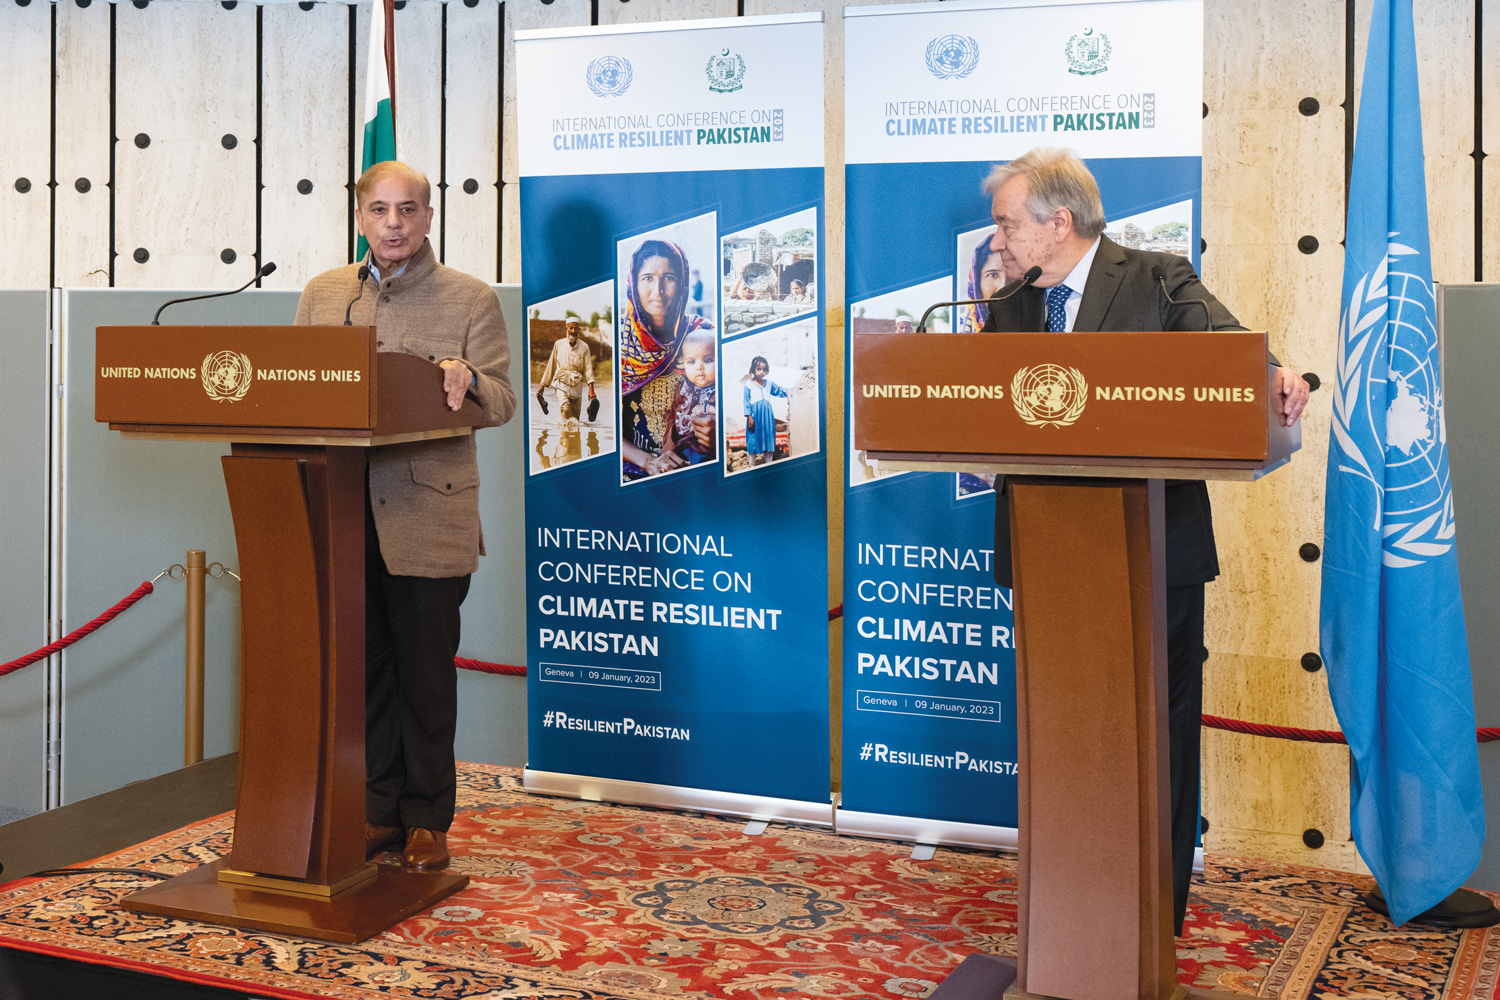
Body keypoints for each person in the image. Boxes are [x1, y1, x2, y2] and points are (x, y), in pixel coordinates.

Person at [980, 147, 1310, 935]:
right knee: (1061, 729)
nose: (996, 243)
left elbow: (1230, 353)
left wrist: (1277, 374)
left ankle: (1148, 917)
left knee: (1155, 732)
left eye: (1004, 225)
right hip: (1048, 549)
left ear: (1058, 222)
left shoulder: (1158, 278)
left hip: (1151, 551)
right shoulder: (1010, 309)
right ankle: (1067, 907)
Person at [294, 160, 515, 871]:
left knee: (424, 676)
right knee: (367, 674)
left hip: (427, 514)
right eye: (380, 210)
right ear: (360, 216)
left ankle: (428, 820)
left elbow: (505, 401)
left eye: (408, 210)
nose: (394, 223)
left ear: (428, 218)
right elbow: (291, 383)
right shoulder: (324, 294)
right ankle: (379, 811)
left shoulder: (470, 299)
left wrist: (470, 379)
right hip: (341, 508)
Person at [619, 238, 714, 479]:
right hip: (632, 470)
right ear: (633, 283)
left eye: (669, 278)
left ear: (682, 283)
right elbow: (600, 425)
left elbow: (726, 399)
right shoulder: (618, 342)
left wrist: (715, 424)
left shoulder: (702, 336)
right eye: (647, 278)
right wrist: (648, 461)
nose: (658, 291)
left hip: (690, 467)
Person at [659, 328, 717, 465]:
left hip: (707, 451)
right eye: (691, 362)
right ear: (684, 364)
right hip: (681, 448)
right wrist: (667, 450)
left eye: (708, 360)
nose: (699, 367)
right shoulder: (682, 389)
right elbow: (672, 419)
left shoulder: (719, 390)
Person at [535, 318, 596, 421]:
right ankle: (564, 435)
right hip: (561, 383)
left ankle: (572, 434)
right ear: (566, 328)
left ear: (578, 330)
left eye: (575, 328)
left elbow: (588, 369)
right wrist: (542, 386)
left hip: (577, 386)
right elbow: (551, 365)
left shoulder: (584, 347)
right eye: (570, 328)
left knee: (575, 420)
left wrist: (591, 390)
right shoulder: (558, 345)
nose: (573, 331)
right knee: (565, 409)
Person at [742, 355, 788, 467]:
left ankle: (768, 465)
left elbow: (780, 391)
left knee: (768, 438)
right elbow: (746, 402)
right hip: (754, 417)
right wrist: (749, 417)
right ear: (753, 369)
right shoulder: (748, 385)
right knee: (753, 440)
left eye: (764, 369)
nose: (761, 372)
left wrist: (792, 390)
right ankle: (751, 466)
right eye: (759, 369)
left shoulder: (769, 384)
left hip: (767, 417)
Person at [958, 236, 1008, 332]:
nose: (1003, 286)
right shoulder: (955, 334)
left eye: (1011, 276)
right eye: (993, 275)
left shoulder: (1037, 321)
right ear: (976, 283)